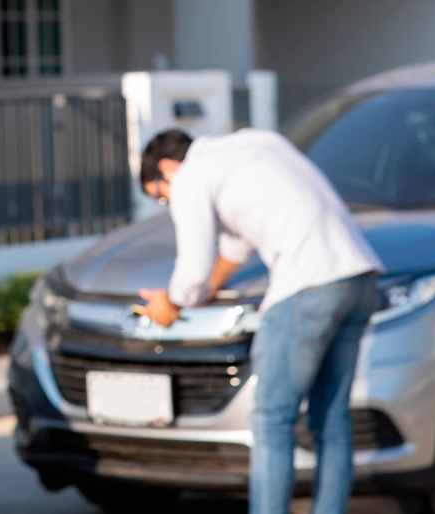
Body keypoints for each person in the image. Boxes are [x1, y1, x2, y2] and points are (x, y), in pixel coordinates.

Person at [137, 128, 383, 514]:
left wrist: (172, 303)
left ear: (167, 168)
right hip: (360, 278)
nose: (168, 202)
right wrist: (203, 292)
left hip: (306, 288)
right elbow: (235, 247)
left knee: (272, 423)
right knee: (332, 422)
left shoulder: (191, 176)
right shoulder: (256, 143)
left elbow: (193, 269)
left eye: (161, 196)